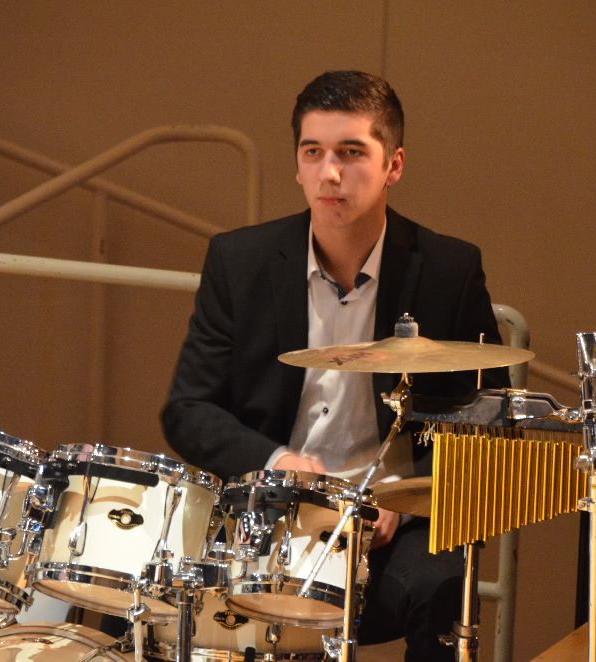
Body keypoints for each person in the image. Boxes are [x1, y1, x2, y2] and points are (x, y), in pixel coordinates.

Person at [162, 70, 509, 661]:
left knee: (442, 585)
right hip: (268, 508)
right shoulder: (238, 260)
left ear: (393, 165)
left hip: (392, 522)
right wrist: (278, 462)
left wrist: (406, 494)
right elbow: (188, 409)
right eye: (313, 152)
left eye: (351, 153)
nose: (329, 173)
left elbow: (487, 421)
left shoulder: (448, 270)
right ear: (297, 165)